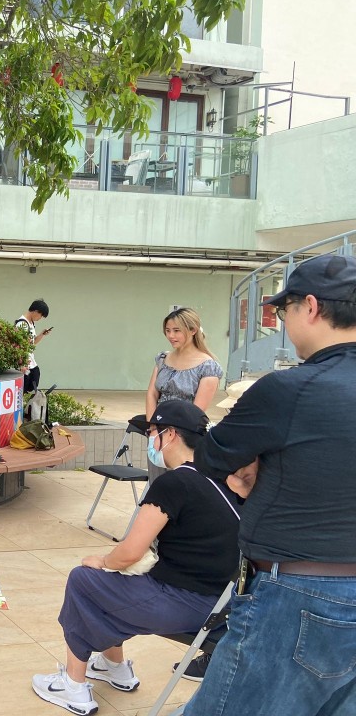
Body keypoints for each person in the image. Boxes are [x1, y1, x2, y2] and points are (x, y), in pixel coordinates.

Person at [184, 253, 356, 716]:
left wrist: (259, 467)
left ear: (312, 307)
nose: (284, 321)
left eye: (285, 310)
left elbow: (211, 455)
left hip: (298, 596)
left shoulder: (291, 388)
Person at [32, 399, 241, 715]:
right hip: (222, 605)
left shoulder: (175, 482)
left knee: (84, 579)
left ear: (169, 435)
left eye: (153, 433)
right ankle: (115, 668)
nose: (151, 442)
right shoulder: (223, 478)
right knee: (109, 588)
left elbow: (130, 550)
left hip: (185, 604)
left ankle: (74, 686)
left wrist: (102, 560)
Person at [145, 307, 222, 418]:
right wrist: (152, 426)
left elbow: (196, 412)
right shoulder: (162, 359)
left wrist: (171, 433)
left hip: (184, 429)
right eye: (168, 330)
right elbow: (152, 394)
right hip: (157, 425)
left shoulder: (208, 367)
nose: (171, 335)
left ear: (193, 330)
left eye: (176, 331)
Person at [15, 299, 51, 395]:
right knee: (23, 391)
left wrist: (42, 334)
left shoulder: (31, 324)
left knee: (34, 380)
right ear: (35, 311)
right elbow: (18, 346)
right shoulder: (22, 324)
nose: (40, 318)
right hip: (25, 365)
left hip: (31, 363)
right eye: (41, 315)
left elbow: (32, 343)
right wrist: (22, 363)